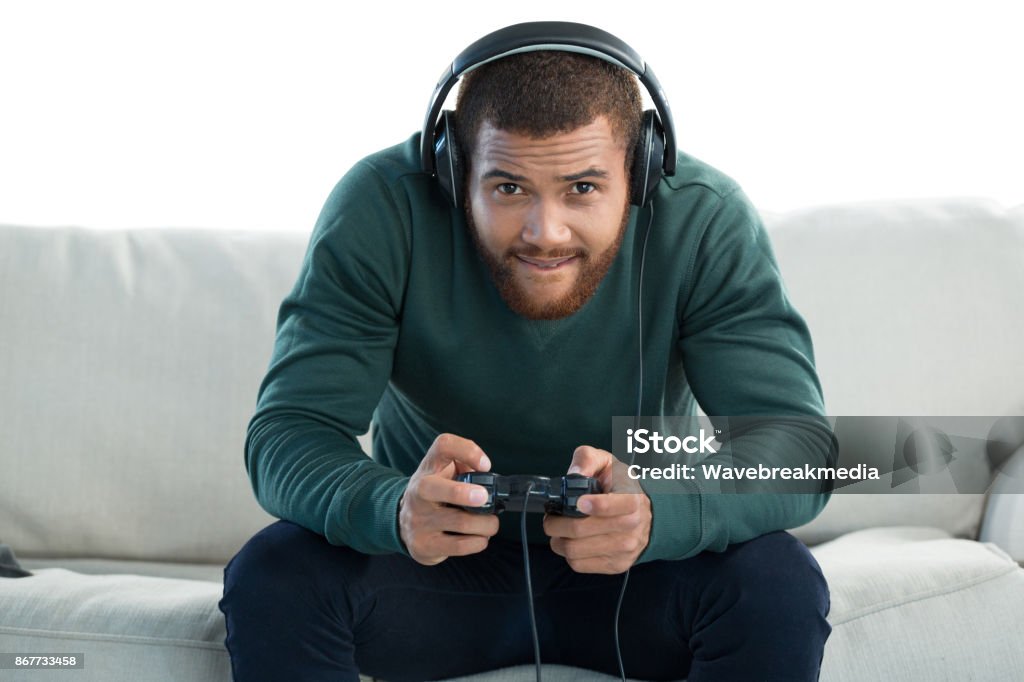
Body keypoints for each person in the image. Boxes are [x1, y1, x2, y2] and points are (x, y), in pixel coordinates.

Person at [219, 22, 833, 682]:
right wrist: (392, 508)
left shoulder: (706, 220)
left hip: (639, 574)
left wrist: (661, 513)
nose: (546, 232)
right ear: (455, 172)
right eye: (508, 188)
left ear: (641, 172)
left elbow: (802, 447)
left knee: (777, 581)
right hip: (431, 571)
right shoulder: (381, 206)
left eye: (584, 189)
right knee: (273, 573)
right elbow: (288, 432)